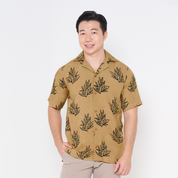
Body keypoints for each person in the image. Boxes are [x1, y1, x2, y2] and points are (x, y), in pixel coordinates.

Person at [48, 11, 142, 178]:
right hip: (76, 155)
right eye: (82, 33)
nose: (87, 38)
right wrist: (58, 143)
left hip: (111, 157)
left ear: (104, 35)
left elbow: (130, 115)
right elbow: (53, 107)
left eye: (93, 32)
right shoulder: (65, 72)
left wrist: (127, 155)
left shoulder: (123, 72)